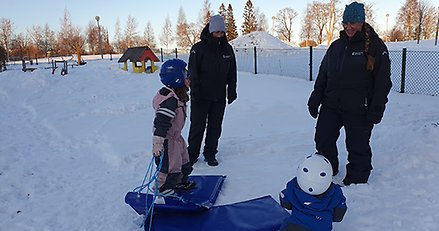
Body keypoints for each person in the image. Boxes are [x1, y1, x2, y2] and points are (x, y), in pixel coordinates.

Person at [307, 2, 392, 186]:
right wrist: (315, 98)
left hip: (359, 108)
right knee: (323, 138)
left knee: (357, 145)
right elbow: (324, 74)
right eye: (345, 22)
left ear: (362, 22)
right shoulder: (336, 46)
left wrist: (377, 108)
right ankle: (328, 169)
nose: (348, 26)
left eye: (352, 22)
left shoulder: (375, 47)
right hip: (331, 105)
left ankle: (357, 182)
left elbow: (383, 82)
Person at [187, 15, 237, 166]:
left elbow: (232, 71)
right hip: (201, 95)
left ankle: (210, 154)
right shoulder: (198, 48)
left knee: (215, 127)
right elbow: (193, 71)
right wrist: (195, 91)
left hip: (219, 95)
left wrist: (232, 90)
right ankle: (192, 154)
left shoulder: (227, 49)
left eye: (221, 32)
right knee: (197, 126)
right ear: (210, 31)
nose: (219, 35)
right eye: (216, 32)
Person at [152, 59, 195, 195]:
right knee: (170, 166)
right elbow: (161, 122)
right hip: (166, 140)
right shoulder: (169, 100)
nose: (189, 78)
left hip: (176, 138)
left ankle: (180, 182)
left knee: (184, 161)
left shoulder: (177, 95)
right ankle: (163, 190)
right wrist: (158, 143)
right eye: (186, 76)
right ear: (177, 79)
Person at [279, 154, 347, 231]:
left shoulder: (293, 188)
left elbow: (285, 202)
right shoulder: (336, 193)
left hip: (294, 226)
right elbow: (338, 216)